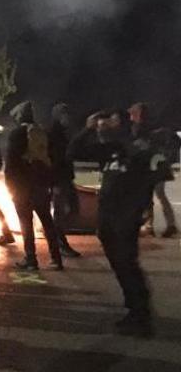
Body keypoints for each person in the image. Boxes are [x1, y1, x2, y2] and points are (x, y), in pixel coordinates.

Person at [70, 110, 167, 335]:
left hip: (126, 216)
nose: (104, 127)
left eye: (110, 123)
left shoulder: (139, 148)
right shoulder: (110, 149)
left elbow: (152, 179)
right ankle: (133, 307)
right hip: (108, 217)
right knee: (119, 263)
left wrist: (138, 210)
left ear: (123, 124)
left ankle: (140, 315)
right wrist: (88, 128)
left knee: (127, 262)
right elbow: (73, 152)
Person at [5, 101, 63, 271]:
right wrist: (50, 182)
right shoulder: (42, 133)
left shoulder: (16, 134)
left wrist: (10, 185)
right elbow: (51, 159)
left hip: (22, 186)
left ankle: (31, 259)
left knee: (26, 222)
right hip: (41, 184)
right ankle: (56, 258)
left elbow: (11, 162)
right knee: (47, 221)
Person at [129, 103, 178, 238]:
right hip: (153, 164)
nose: (131, 116)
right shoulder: (146, 126)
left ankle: (160, 226)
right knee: (153, 195)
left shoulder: (144, 127)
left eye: (133, 113)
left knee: (154, 194)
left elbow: (142, 145)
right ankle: (160, 225)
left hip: (154, 164)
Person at [48, 103, 82, 256]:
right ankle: (59, 242)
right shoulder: (54, 134)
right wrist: (54, 182)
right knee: (60, 211)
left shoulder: (64, 133)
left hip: (66, 177)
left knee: (73, 209)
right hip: (59, 179)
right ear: (59, 116)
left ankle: (56, 235)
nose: (68, 118)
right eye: (65, 115)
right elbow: (54, 159)